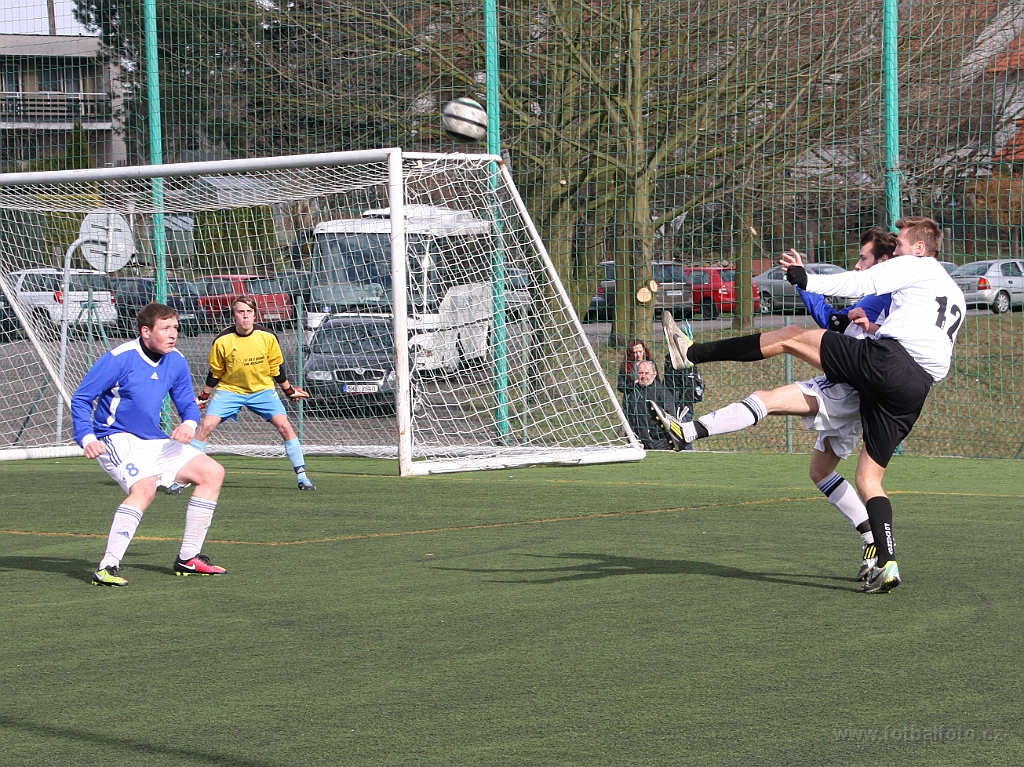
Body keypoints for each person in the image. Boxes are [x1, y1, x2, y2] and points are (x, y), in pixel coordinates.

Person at [652, 217, 965, 593]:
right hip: (916, 387)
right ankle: (887, 561)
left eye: (899, 244)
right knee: (867, 479)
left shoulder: (914, 265)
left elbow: (860, 285)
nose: (895, 251)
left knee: (789, 338)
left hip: (882, 366)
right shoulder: (955, 294)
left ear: (920, 248)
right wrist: (871, 328)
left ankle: (690, 355)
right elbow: (922, 338)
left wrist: (807, 279)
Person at [71, 303, 227, 587]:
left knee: (212, 472)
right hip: (115, 437)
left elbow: (188, 404)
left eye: (175, 328)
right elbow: (81, 399)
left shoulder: (176, 360)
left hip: (153, 439)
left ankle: (189, 558)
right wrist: (87, 437)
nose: (173, 334)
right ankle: (107, 567)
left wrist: (189, 424)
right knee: (145, 488)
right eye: (165, 328)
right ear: (146, 332)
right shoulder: (119, 358)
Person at [179, 295, 316, 491]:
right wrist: (203, 397)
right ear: (233, 315)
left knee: (285, 426)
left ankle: (303, 477)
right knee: (206, 426)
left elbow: (276, 368)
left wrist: (288, 390)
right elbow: (216, 372)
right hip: (230, 390)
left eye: (249, 312)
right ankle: (184, 478)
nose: (245, 316)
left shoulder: (268, 337)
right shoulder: (222, 340)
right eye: (240, 312)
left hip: (262, 390)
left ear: (254, 315)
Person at [621, 359, 677, 450]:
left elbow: (670, 415)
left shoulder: (662, 392)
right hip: (635, 440)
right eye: (640, 373)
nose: (643, 376)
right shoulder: (631, 391)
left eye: (647, 373)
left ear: (654, 374)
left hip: (658, 442)